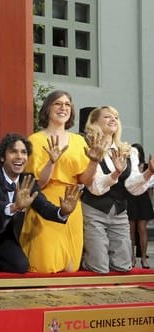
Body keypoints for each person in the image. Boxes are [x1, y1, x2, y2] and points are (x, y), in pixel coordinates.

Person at [0, 133, 80, 273]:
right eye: (13, 151)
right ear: (2, 157)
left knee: (21, 266)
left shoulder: (27, 179)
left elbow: (44, 207)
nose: (19, 156)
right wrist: (14, 207)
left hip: (2, 236)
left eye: (23, 152)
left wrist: (63, 212)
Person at [19, 90, 105, 273]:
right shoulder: (34, 140)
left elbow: (85, 181)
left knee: (70, 266)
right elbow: (36, 185)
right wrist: (51, 162)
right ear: (47, 109)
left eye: (67, 104)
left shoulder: (78, 141)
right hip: (45, 203)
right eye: (58, 103)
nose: (63, 108)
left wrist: (94, 162)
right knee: (45, 264)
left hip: (72, 204)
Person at [82, 106, 154, 273]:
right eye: (107, 116)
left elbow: (132, 187)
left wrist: (149, 172)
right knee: (99, 267)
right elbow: (95, 187)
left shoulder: (128, 151)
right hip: (94, 209)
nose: (113, 119)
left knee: (123, 266)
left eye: (116, 116)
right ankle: (84, 260)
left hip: (120, 212)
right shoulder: (87, 148)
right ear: (94, 122)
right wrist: (115, 173)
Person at [127, 143, 154, 268]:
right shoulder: (128, 165)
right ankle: (131, 257)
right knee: (130, 230)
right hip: (129, 197)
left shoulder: (147, 166)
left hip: (142, 198)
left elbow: (149, 186)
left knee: (142, 229)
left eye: (136, 152)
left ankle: (143, 258)